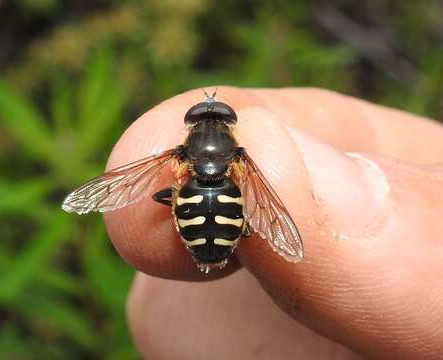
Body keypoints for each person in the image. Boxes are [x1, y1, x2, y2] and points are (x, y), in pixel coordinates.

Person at [103, 87, 443, 359]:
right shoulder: (240, 155)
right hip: (221, 205)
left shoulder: (177, 151)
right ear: (230, 128)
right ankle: (231, 233)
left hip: (193, 202)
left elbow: (136, 180)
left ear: (189, 130)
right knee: (253, 203)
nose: (210, 108)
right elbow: (260, 194)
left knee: (166, 199)